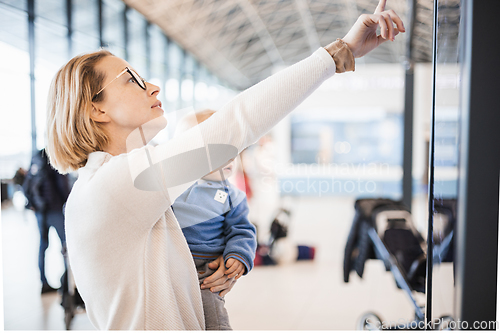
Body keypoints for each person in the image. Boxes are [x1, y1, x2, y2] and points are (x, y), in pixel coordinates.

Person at [45, 0, 404, 329]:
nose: (153, 87)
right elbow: (237, 122)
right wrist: (339, 53)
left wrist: (211, 267)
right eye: (133, 80)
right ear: (97, 108)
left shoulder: (116, 186)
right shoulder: (115, 184)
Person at [172, 109, 256, 330]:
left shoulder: (232, 196)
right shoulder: (169, 188)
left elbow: (242, 230)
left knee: (213, 317)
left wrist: (238, 256)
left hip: (206, 272)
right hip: (170, 266)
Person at [22, 149, 70, 294]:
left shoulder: (36, 159)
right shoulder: (54, 158)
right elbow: (63, 185)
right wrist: (67, 202)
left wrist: (33, 204)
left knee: (43, 246)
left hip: (40, 212)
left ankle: (44, 283)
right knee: (66, 246)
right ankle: (67, 284)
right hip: (54, 210)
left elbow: (26, 186)